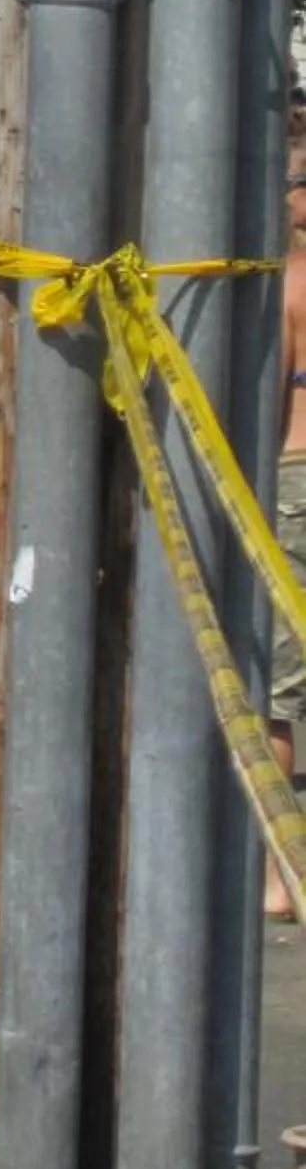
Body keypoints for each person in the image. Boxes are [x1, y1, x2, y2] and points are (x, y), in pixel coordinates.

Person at [265, 124, 306, 916]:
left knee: (278, 688)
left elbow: (266, 409)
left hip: (296, 481)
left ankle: (278, 870)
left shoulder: (290, 284)